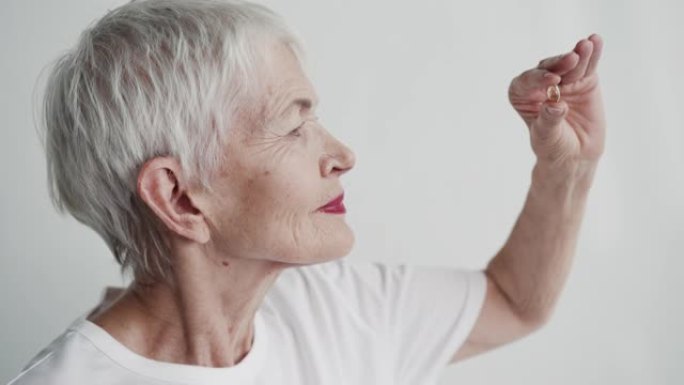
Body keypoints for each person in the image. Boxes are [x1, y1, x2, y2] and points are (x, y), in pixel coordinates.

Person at [7, 0, 605, 384]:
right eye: (293, 127)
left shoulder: (339, 310)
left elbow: (516, 302)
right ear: (180, 199)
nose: (343, 156)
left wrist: (567, 169)